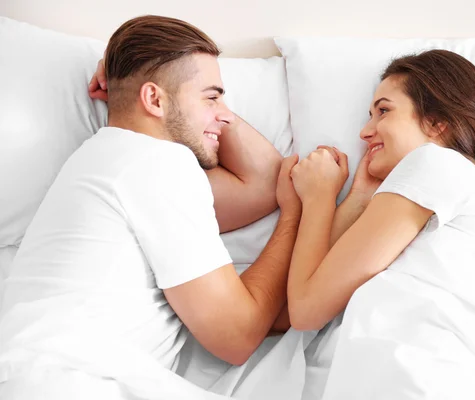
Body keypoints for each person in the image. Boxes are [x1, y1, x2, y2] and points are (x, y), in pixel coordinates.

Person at [0, 15, 300, 395]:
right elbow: (236, 337)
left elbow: (261, 181)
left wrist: (148, 85)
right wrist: (294, 215)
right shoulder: (157, 165)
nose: (225, 114)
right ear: (154, 98)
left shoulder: (115, 161)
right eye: (212, 97)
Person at [284, 50, 475, 397]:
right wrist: (358, 196)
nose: (365, 131)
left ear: (437, 123)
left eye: (383, 111)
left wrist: (318, 198)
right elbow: (312, 287)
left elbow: (304, 309)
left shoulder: (433, 164)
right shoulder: (447, 187)